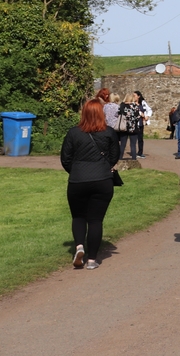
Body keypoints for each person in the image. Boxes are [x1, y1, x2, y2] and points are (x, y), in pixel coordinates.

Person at [60, 99, 120, 270]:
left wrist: (77, 170)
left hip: (78, 179)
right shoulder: (109, 133)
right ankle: (92, 260)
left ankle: (79, 246)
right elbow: (114, 156)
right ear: (101, 113)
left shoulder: (73, 133)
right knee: (95, 220)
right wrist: (102, 167)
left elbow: (66, 158)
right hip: (102, 180)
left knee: (78, 216)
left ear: (83, 113)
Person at [117, 93, 141, 160]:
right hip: (133, 128)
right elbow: (138, 117)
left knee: (122, 144)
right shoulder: (135, 106)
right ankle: (134, 159)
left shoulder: (122, 106)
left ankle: (120, 158)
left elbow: (118, 114)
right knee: (133, 145)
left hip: (123, 127)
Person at [134, 91, 151, 158]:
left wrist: (147, 116)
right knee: (133, 139)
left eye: (135, 95)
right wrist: (141, 114)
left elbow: (149, 110)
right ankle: (133, 152)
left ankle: (140, 152)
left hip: (141, 123)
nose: (134, 97)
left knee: (140, 139)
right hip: (134, 123)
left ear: (138, 96)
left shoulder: (143, 103)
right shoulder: (132, 103)